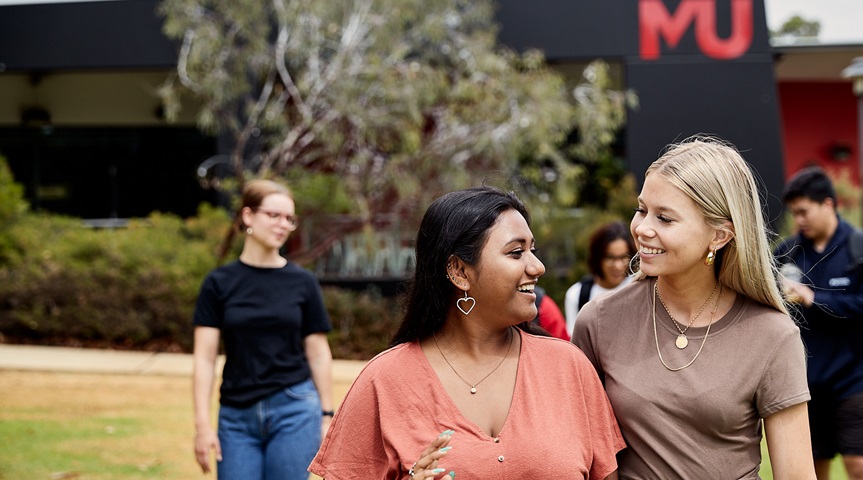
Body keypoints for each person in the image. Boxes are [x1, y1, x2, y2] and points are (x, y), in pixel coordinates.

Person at [308, 186, 623, 479]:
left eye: (532, 250)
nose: (537, 267)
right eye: (516, 253)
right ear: (459, 271)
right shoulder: (384, 382)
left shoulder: (569, 368)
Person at [572, 136, 817, 479]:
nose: (642, 229)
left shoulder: (773, 336)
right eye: (642, 210)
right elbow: (585, 455)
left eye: (665, 219)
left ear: (720, 235)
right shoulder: (598, 321)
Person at [192, 179, 335, 479]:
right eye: (274, 215)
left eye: (289, 219)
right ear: (248, 217)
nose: (283, 225)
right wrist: (203, 427)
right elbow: (204, 359)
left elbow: (319, 355)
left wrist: (326, 416)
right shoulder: (218, 283)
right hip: (235, 417)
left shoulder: (303, 282)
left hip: (295, 411)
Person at [774, 167, 863, 480]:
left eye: (804, 212)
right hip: (805, 383)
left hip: (856, 379)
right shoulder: (786, 253)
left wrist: (814, 299)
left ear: (828, 204)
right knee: (812, 470)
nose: (798, 220)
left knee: (861, 466)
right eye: (794, 213)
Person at [564, 221, 637, 336]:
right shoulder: (577, 294)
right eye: (610, 258)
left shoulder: (639, 286)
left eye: (623, 257)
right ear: (598, 259)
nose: (617, 266)